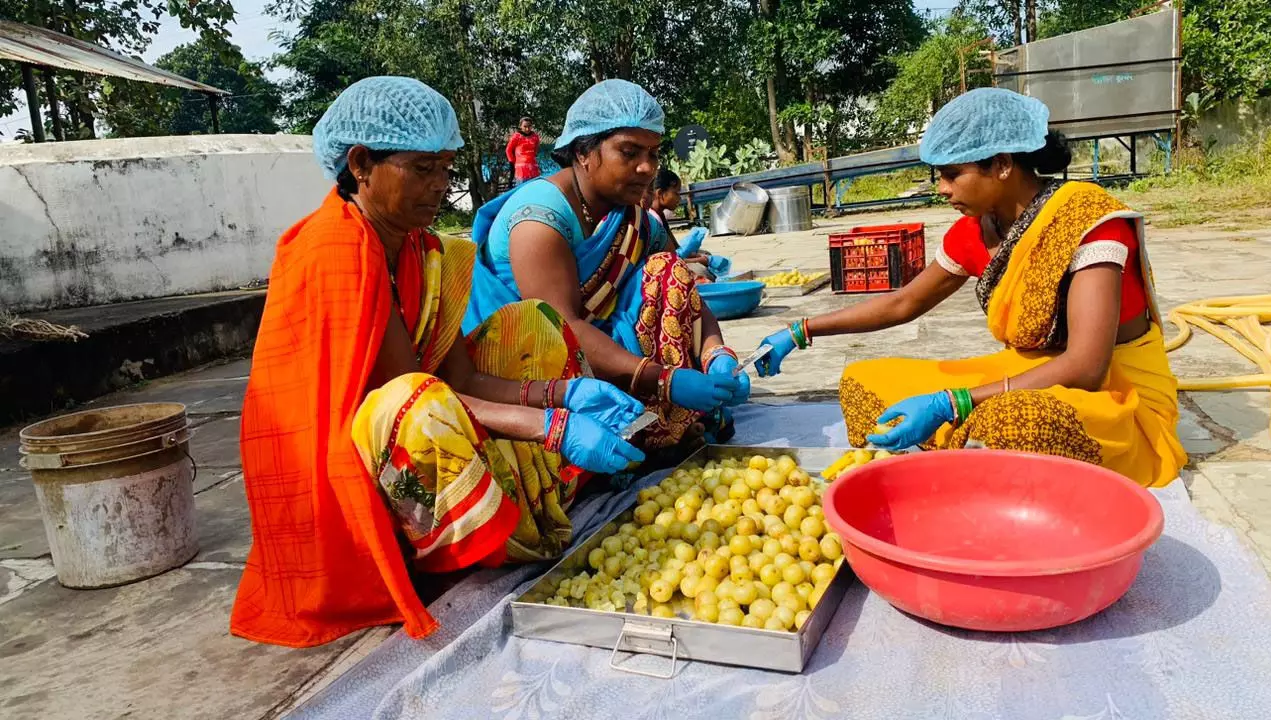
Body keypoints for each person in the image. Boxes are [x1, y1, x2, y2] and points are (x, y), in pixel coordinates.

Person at [231, 77, 646, 648]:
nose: (439, 188)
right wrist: (549, 427)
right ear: (360, 164)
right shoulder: (334, 248)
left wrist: (564, 395)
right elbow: (408, 394)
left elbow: (464, 380)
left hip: (409, 414)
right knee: (418, 408)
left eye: (446, 170)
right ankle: (432, 549)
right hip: (330, 474)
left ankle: (480, 519)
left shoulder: (425, 251)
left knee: (533, 327)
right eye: (423, 169)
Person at [753, 88, 1187, 488]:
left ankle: (976, 462)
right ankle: (957, 464)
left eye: (952, 175)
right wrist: (802, 330)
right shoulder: (974, 231)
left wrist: (955, 402)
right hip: (1028, 370)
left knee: (1012, 422)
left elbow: (1087, 366)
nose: (942, 188)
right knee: (864, 382)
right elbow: (905, 302)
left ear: (1000, 165)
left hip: (1112, 388)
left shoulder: (1088, 225)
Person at [467, 80, 749, 453]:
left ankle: (663, 421)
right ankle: (643, 425)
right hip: (538, 363)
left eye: (653, 153)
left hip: (603, 352)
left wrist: (716, 353)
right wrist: (665, 380)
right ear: (584, 152)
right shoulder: (540, 219)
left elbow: (680, 286)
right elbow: (564, 329)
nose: (647, 167)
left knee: (667, 270)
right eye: (629, 152)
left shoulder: (630, 216)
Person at [506, 116, 541, 185]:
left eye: (529, 126)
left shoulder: (535, 137)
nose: (527, 129)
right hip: (521, 170)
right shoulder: (517, 136)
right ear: (520, 126)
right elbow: (508, 150)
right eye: (525, 126)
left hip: (533, 169)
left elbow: (536, 149)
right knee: (522, 191)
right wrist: (512, 163)